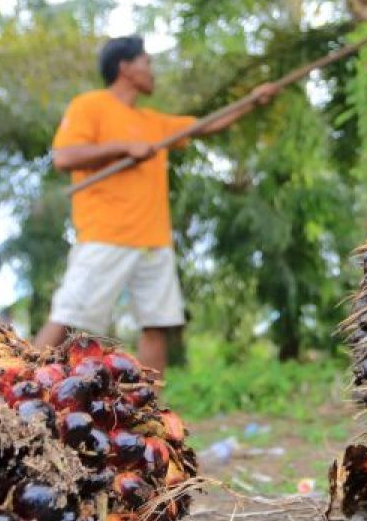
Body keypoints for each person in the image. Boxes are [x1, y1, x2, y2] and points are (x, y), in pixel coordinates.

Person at [34, 35, 278, 376]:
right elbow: (65, 156)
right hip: (106, 235)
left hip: (153, 241)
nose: (152, 71)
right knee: (68, 317)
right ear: (125, 67)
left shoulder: (153, 122)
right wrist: (124, 148)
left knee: (157, 325)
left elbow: (206, 125)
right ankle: (19, 386)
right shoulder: (90, 106)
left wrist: (252, 101)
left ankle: (151, 404)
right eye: (147, 62)